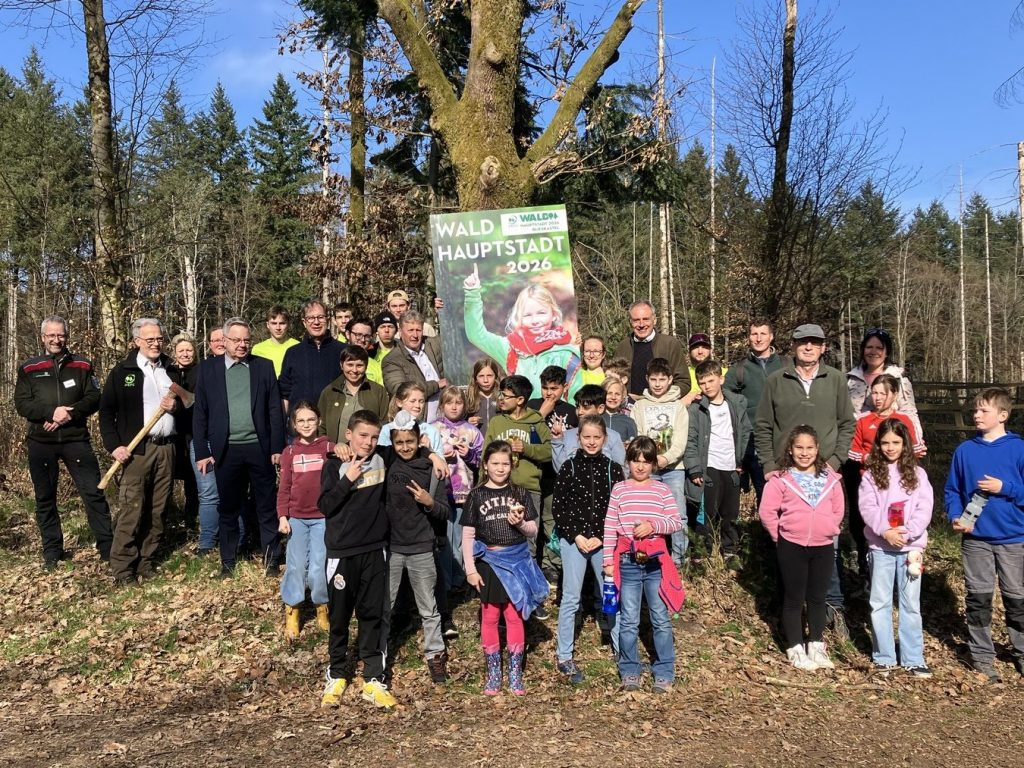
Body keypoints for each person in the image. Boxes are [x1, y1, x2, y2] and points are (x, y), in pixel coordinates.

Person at [755, 323, 856, 638]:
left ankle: (832, 609)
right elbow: (763, 425)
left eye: (814, 342)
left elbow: (847, 424)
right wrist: (769, 465)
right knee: (787, 546)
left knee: (829, 545)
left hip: (824, 477)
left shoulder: (836, 380)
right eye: (802, 342)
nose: (808, 347)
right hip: (786, 478)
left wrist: (835, 463)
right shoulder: (776, 380)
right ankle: (790, 616)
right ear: (794, 346)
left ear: (823, 347)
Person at [15, 315, 113, 569]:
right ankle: (52, 551)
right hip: (41, 441)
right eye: (51, 335)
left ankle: (107, 548)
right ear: (43, 338)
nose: (56, 340)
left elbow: (94, 397)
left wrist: (70, 414)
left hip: (75, 439)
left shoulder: (82, 365)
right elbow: (22, 403)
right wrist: (51, 413)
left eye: (61, 335)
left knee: (93, 493)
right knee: (45, 497)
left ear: (67, 337)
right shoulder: (28, 368)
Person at [192, 318, 286, 577]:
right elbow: (200, 413)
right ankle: (228, 561)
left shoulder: (263, 367)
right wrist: (202, 451)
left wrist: (277, 447)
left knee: (266, 506)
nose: (242, 345)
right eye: (236, 340)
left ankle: (271, 559)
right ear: (224, 341)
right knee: (228, 508)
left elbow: (275, 410)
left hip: (259, 448)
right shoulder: (208, 369)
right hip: (226, 450)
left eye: (246, 340)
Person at [945, 387, 1024, 683]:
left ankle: (1021, 652)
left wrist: (1005, 488)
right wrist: (955, 516)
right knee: (978, 600)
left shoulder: (1019, 449)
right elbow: (952, 490)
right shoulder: (964, 451)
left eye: (983, 410)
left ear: (1003, 415)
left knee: (1017, 599)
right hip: (976, 540)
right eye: (975, 410)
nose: (976, 415)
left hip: (1014, 539)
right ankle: (981, 657)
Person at [319, 410, 396, 710]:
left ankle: (373, 678)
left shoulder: (383, 458)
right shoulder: (333, 464)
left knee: (372, 615)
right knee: (339, 618)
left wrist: (433, 455)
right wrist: (347, 479)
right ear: (348, 434)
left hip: (374, 549)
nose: (368, 442)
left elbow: (410, 446)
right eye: (363, 435)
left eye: (374, 437)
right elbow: (325, 505)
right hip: (342, 552)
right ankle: (337, 673)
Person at [462, 440, 549, 695]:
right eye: (495, 463)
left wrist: (520, 522)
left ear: (512, 465)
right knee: (490, 616)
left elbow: (533, 531)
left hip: (517, 561)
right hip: (489, 562)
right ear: (485, 465)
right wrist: (470, 569)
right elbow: (467, 536)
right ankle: (493, 672)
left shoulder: (519, 493)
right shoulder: (476, 495)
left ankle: (514, 672)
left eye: (505, 464)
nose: (500, 468)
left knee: (513, 615)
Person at [99, 318, 179, 585]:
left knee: (158, 510)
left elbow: (186, 403)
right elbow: (106, 412)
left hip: (166, 449)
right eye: (150, 339)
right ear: (137, 342)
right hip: (137, 451)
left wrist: (176, 407)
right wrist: (114, 446)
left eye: (159, 339)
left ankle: (146, 561)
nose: (156, 344)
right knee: (132, 509)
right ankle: (123, 568)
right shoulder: (123, 372)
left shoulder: (170, 369)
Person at [758, 425, 844, 671]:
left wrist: (828, 528)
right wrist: (780, 536)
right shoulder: (781, 479)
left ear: (817, 449)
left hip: (823, 546)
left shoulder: (831, 479)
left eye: (809, 448)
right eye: (799, 448)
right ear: (790, 449)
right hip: (791, 546)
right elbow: (767, 511)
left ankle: (816, 644)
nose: (804, 453)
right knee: (794, 598)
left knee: (817, 598)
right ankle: (795, 647)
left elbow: (838, 509)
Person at [602, 436, 685, 693]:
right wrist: (608, 561)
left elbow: (676, 521)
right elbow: (610, 527)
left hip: (654, 562)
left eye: (646, 462)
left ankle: (664, 670)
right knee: (629, 620)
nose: (640, 466)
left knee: (660, 618)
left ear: (653, 464)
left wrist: (653, 526)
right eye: (635, 461)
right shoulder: (620, 489)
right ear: (628, 462)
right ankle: (629, 669)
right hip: (627, 561)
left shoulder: (662, 490)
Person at [553, 415, 625, 684]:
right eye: (586, 437)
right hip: (575, 541)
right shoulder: (569, 466)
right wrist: (576, 535)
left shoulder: (613, 469)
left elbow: (618, 509)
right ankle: (564, 655)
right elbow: (559, 508)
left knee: (610, 595)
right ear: (578, 438)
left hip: (604, 542)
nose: (591, 442)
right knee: (571, 598)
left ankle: (622, 651)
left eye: (596, 437)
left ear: (604, 439)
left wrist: (601, 537)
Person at [859, 419, 933, 677]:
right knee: (879, 602)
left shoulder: (918, 474)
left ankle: (913, 657)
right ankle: (884, 657)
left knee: (910, 604)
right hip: (880, 548)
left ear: (905, 444)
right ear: (878, 445)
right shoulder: (871, 476)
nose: (890, 447)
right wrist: (885, 531)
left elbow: (924, 508)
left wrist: (909, 532)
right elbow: (868, 507)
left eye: (896, 442)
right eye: (885, 442)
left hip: (911, 549)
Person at [382, 412, 452, 684]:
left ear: (419, 439)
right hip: (391, 547)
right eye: (399, 442)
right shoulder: (387, 460)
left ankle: (435, 655)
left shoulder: (432, 469)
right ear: (392, 442)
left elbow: (445, 512)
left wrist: (429, 502)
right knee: (384, 604)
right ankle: (378, 653)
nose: (404, 447)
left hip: (422, 546)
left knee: (428, 606)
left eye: (410, 441)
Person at [463, 267, 582, 402]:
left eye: (541, 313)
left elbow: (576, 396)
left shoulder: (567, 353)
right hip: (521, 414)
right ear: (519, 318)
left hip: (558, 415)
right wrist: (472, 294)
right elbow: (476, 335)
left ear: (553, 314)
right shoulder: (510, 348)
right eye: (527, 315)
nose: (535, 320)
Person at [847, 374, 925, 577]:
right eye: (874, 393)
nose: (878, 398)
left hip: (901, 485)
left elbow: (916, 448)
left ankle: (903, 565)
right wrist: (867, 458)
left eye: (883, 393)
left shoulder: (904, 420)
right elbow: (852, 450)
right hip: (871, 483)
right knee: (870, 524)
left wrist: (912, 455)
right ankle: (868, 570)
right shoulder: (864, 420)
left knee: (898, 523)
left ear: (895, 394)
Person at [684, 359, 751, 567]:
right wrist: (694, 468)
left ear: (721, 379)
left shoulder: (736, 403)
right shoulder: (697, 409)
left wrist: (743, 460)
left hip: (731, 466)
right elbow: (690, 439)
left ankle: (730, 551)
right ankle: (701, 553)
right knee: (706, 512)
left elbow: (745, 432)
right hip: (708, 466)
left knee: (730, 512)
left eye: (711, 381)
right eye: (702, 383)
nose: (707, 386)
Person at [277, 401, 332, 640]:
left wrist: (343, 447)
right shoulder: (289, 452)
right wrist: (282, 516)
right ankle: (293, 609)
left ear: (319, 421)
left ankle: (322, 606)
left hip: (322, 517)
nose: (306, 424)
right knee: (296, 565)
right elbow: (284, 487)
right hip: (297, 518)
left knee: (319, 566)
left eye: (311, 420)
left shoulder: (328, 447)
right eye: (301, 421)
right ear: (293, 424)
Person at [483, 375, 552, 560]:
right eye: (501, 394)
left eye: (506, 396)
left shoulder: (536, 422)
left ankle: (528, 577)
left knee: (529, 543)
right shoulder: (497, 422)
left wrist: (526, 448)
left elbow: (550, 452)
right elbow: (485, 455)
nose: (501, 399)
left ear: (520, 399)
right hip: (499, 490)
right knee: (500, 541)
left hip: (529, 490)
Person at [630, 358, 690, 564]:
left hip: (674, 469)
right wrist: (648, 461)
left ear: (670, 380)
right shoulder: (639, 406)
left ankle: (679, 560)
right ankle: (649, 556)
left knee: (678, 514)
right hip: (647, 469)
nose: (657, 384)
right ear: (647, 379)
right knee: (648, 513)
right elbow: (637, 436)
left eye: (662, 379)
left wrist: (666, 458)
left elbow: (681, 439)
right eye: (653, 379)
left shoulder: (678, 407)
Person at [430, 387, 484, 613]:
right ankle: (445, 578)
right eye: (449, 403)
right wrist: (440, 456)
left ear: (465, 405)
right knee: (444, 537)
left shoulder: (472, 431)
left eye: (458, 403)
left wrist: (468, 454)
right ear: (442, 405)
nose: (454, 407)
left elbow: (481, 460)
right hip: (441, 492)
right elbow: (424, 455)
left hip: (464, 492)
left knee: (462, 537)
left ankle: (461, 577)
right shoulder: (433, 428)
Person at [725, 319, 787, 504]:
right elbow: (723, 395)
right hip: (754, 439)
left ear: (771, 336)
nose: (758, 338)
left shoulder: (787, 364)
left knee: (788, 493)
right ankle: (765, 523)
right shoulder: (739, 369)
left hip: (785, 437)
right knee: (765, 492)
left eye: (763, 334)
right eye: (754, 334)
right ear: (749, 337)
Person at [846, 327, 924, 440]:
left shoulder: (899, 380)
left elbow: (909, 414)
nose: (873, 352)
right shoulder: (851, 380)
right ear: (863, 350)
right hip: (856, 442)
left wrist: (917, 442)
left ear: (887, 352)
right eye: (869, 347)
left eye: (879, 348)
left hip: (889, 442)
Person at [279, 300, 346, 414]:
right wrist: (285, 420)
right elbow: (284, 392)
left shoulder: (343, 351)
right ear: (304, 322)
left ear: (328, 320)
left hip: (334, 419)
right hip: (301, 420)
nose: (316, 322)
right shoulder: (293, 353)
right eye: (310, 318)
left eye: (321, 317)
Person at [613, 301, 688, 400]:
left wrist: (663, 398)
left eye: (646, 319)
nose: (641, 324)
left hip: (662, 404)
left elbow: (683, 381)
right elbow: (614, 380)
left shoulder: (670, 344)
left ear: (654, 320)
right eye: (636, 320)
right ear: (630, 322)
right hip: (629, 405)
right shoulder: (623, 347)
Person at [381, 310, 447, 421]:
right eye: (410, 330)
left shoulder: (434, 345)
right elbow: (401, 391)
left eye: (418, 330)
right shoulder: (392, 360)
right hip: (417, 421)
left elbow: (453, 335)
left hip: (447, 418)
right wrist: (436, 385)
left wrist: (443, 311)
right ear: (400, 332)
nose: (415, 335)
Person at [318, 345, 390, 444]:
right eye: (350, 365)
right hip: (335, 450)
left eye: (359, 365)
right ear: (341, 365)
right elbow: (321, 426)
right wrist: (329, 446)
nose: (354, 370)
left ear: (366, 366)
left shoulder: (378, 391)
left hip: (369, 450)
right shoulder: (330, 392)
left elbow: (385, 424)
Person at [551, 384, 627, 473]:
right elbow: (560, 469)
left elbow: (620, 471)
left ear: (600, 408)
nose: (580, 412)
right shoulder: (567, 435)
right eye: (578, 407)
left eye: (586, 407)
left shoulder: (613, 437)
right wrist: (557, 441)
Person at [168, 334, 201, 534]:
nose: (185, 354)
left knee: (193, 479)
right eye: (181, 350)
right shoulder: (168, 372)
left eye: (189, 350)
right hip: (172, 433)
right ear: (175, 353)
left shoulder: (201, 371)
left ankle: (191, 519)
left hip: (193, 432)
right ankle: (169, 518)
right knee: (167, 478)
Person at [378, 382, 444, 455]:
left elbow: (441, 460)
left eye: (421, 401)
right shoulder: (387, 430)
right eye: (412, 401)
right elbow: (382, 457)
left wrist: (429, 450)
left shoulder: (432, 431)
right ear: (399, 402)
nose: (417, 405)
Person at [252, 305, 299, 377]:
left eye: (282, 323)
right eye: (274, 323)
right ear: (268, 325)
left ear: (288, 324)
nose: (278, 328)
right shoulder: (258, 349)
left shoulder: (297, 346)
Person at [682, 333, 727, 406]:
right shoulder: (683, 374)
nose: (700, 351)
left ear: (711, 350)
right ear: (689, 351)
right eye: (695, 347)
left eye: (704, 347)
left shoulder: (725, 373)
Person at [466, 357, 503, 436]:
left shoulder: (503, 398)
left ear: (496, 376)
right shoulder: (468, 398)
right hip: (477, 442)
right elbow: (457, 423)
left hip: (499, 442)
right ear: (475, 378)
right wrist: (467, 423)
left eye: (489, 375)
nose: (486, 380)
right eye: (481, 376)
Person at [344, 317, 384, 386]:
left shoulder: (376, 367)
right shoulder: (336, 359)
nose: (362, 340)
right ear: (348, 334)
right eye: (358, 335)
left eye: (367, 336)